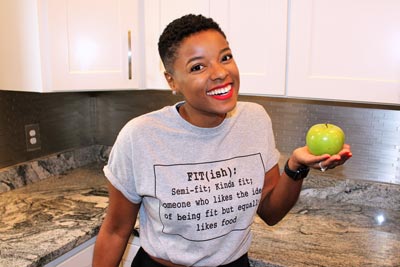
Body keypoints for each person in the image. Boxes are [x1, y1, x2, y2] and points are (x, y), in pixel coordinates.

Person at [92, 14, 352, 267]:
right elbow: (115, 231)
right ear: (172, 80)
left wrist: (296, 166)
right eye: (198, 66)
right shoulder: (141, 136)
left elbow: (270, 213)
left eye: (225, 57)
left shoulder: (254, 120)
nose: (219, 73)